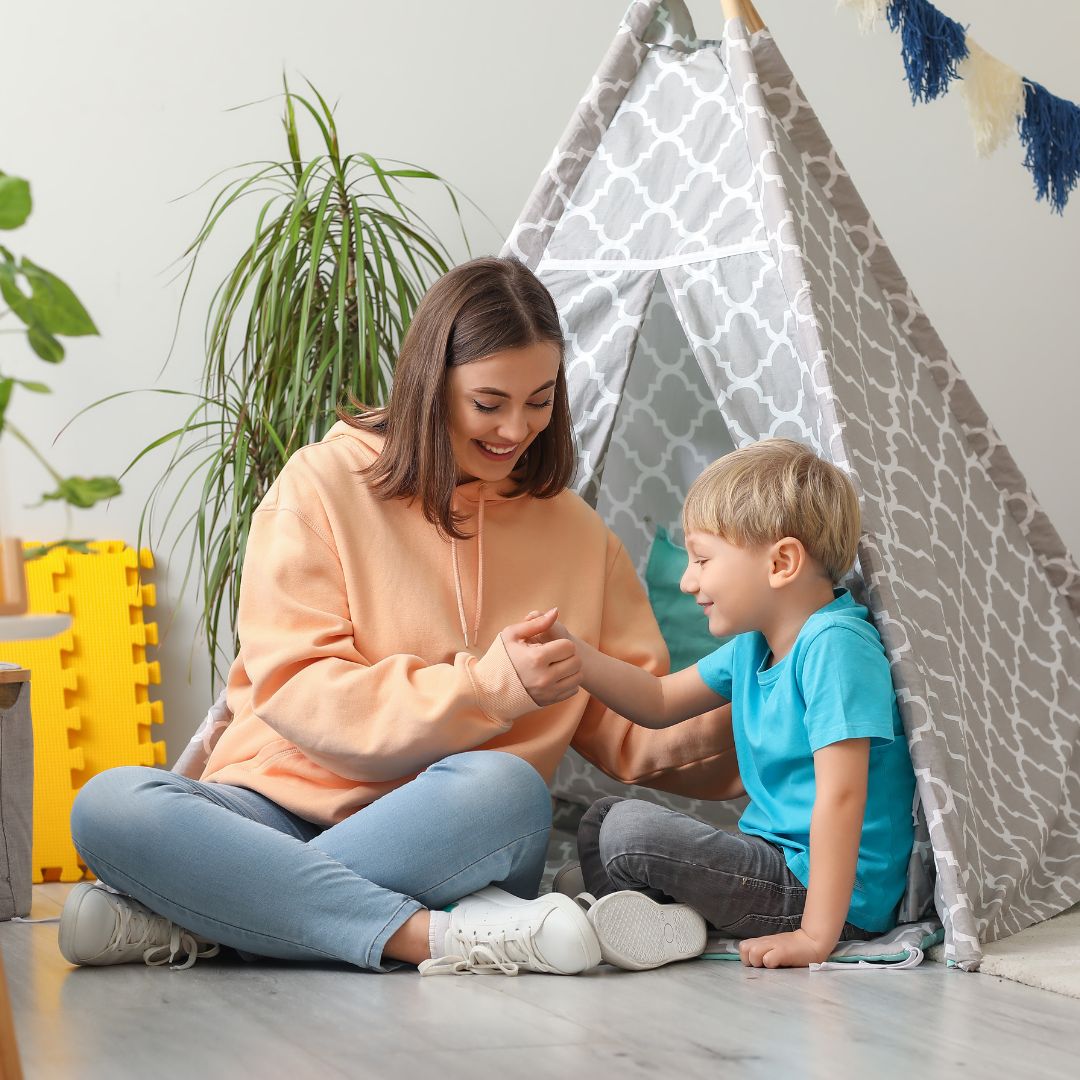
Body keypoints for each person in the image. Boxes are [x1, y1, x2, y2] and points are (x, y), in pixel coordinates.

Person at [58, 256, 736, 977]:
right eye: (489, 402)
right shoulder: (321, 485)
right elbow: (299, 689)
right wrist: (489, 689)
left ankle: (201, 915)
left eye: (540, 400)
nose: (517, 428)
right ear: (429, 386)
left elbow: (636, 726)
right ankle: (432, 938)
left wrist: (782, 707)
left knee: (506, 787)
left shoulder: (579, 537)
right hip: (273, 812)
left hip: (453, 831)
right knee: (110, 804)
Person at [548, 439, 916, 970]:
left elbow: (842, 797)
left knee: (629, 831)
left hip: (830, 897)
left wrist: (816, 936)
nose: (687, 579)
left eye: (701, 558)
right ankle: (644, 915)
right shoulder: (755, 643)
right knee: (601, 818)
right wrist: (577, 656)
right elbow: (657, 701)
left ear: (782, 562)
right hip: (776, 864)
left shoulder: (835, 646)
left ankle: (641, 913)